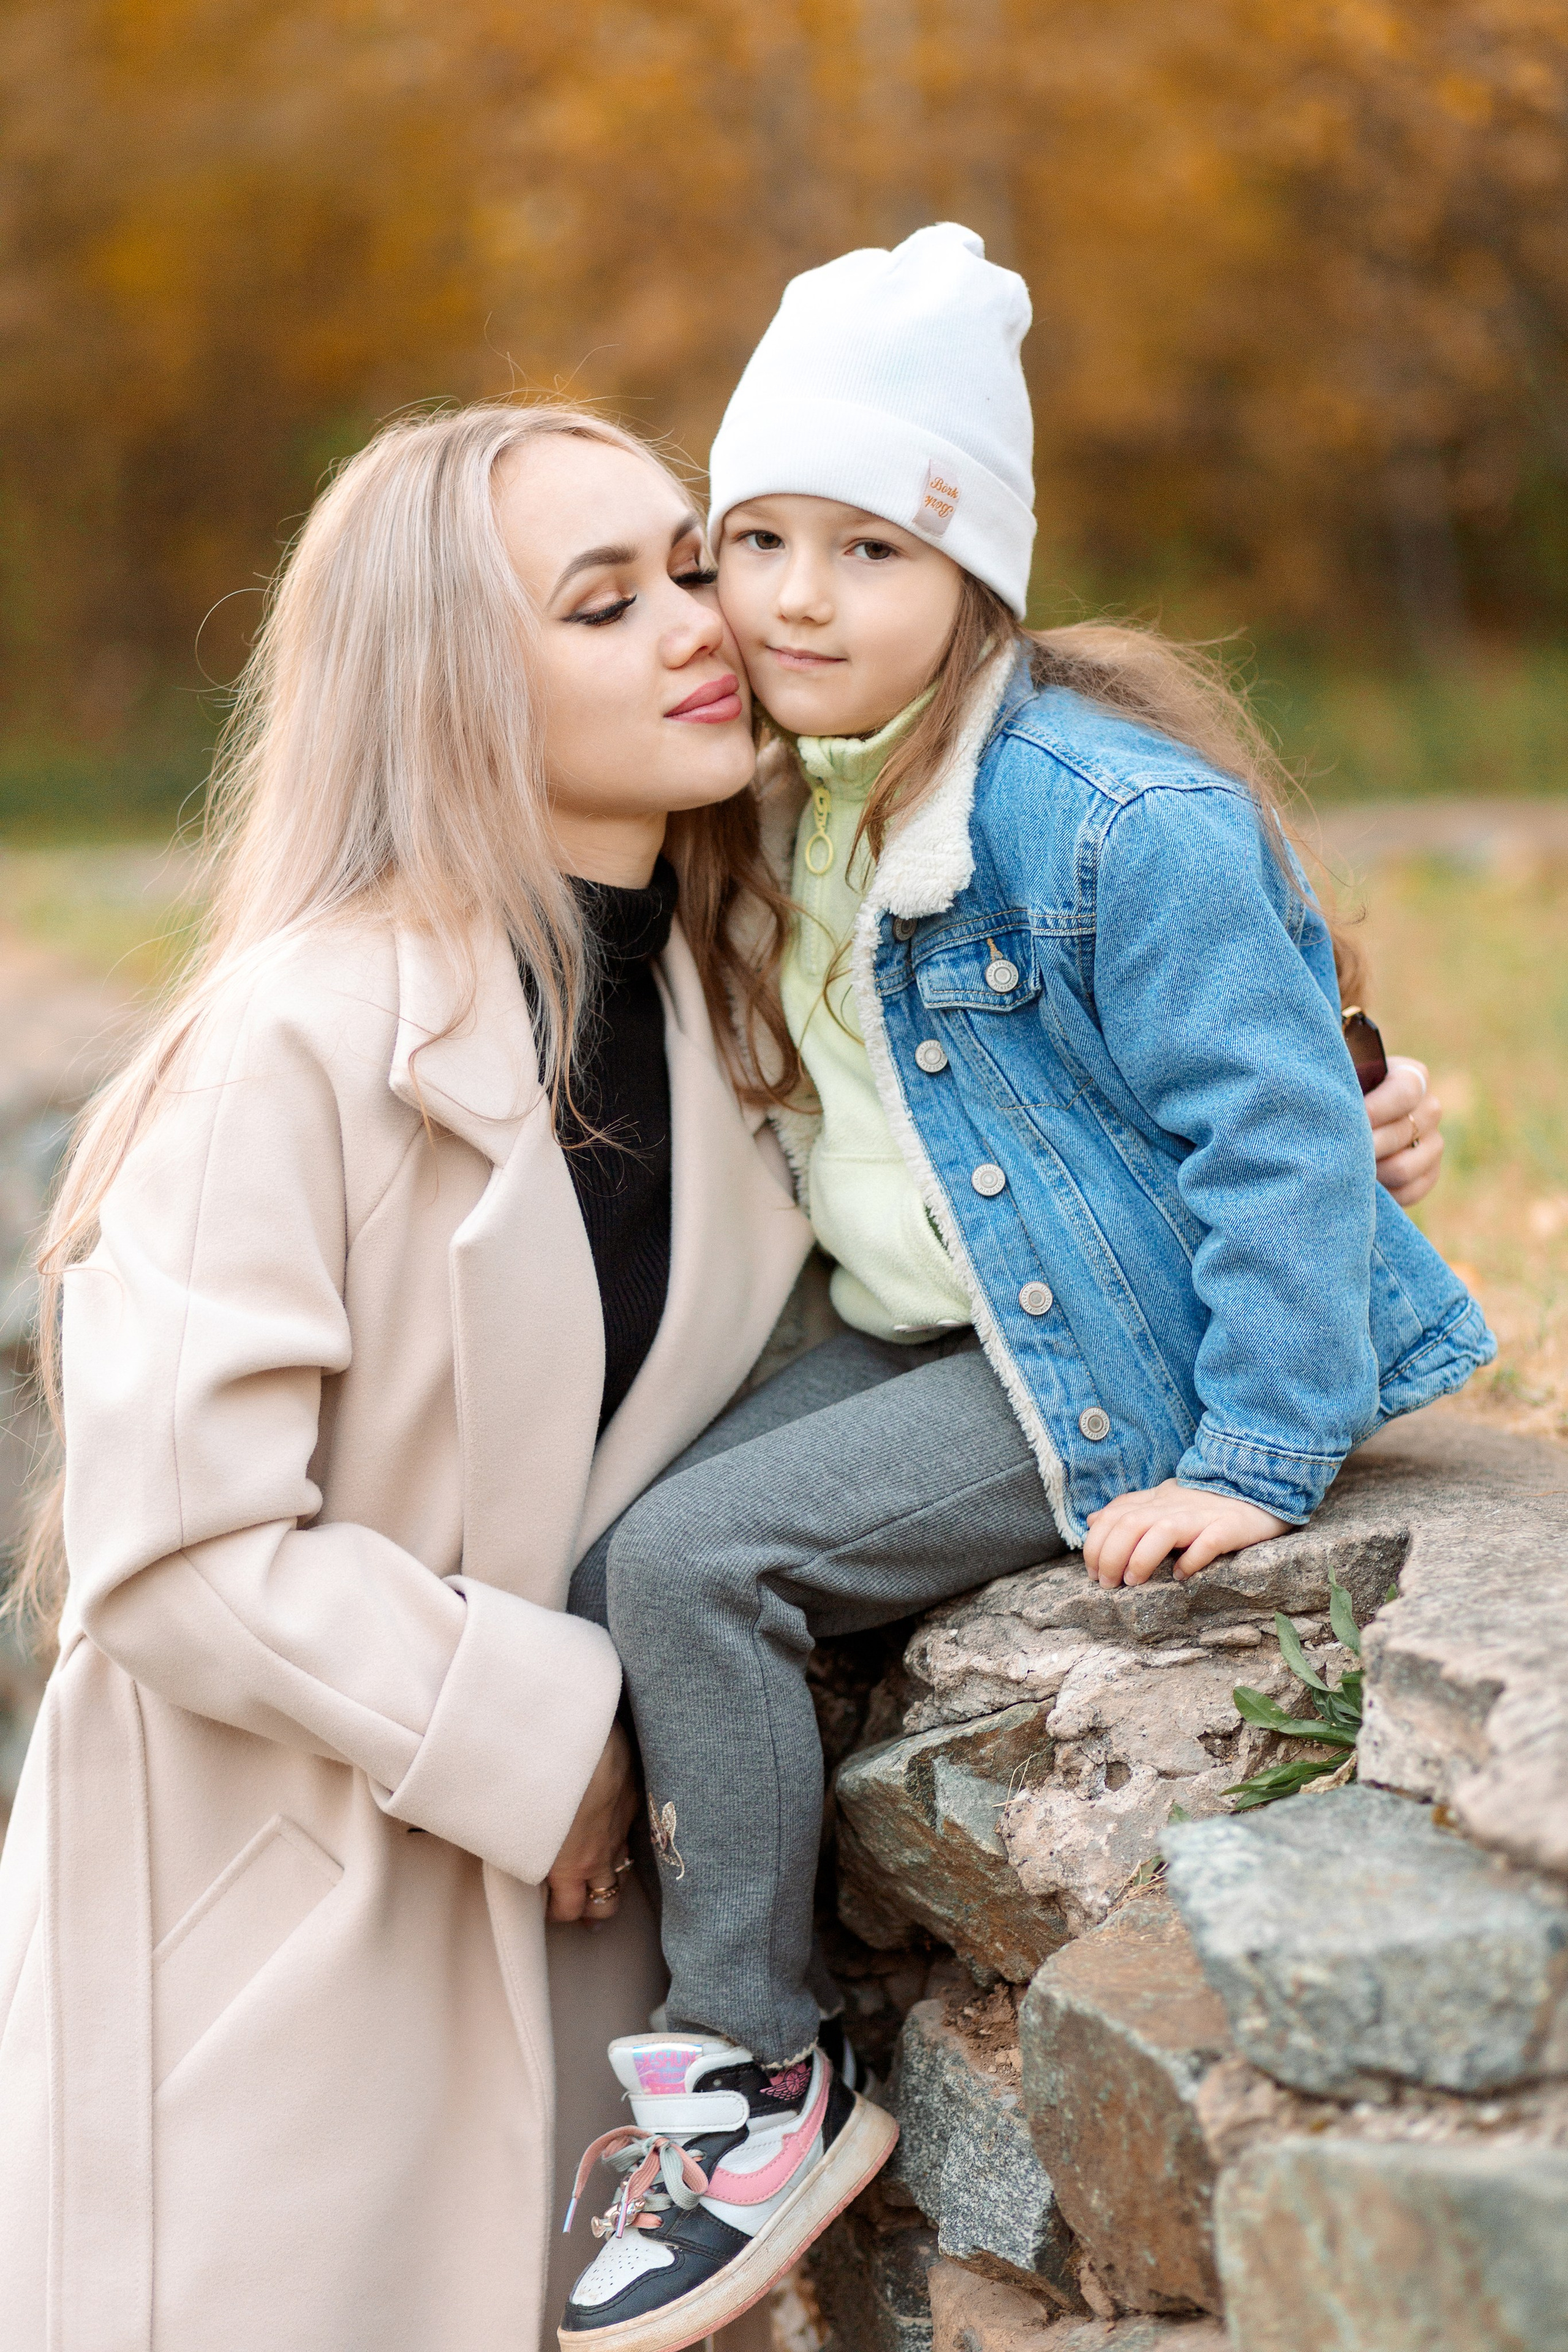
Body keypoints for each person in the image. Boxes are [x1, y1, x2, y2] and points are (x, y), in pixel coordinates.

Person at [556, 225, 1492, 2350]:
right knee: (620, 1556)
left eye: (869, 550)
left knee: (699, 1565)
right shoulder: (786, 797)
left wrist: (1260, 1445)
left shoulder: (1096, 812)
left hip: (1117, 1359)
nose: (797, 597)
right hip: (927, 1321)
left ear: (971, 579)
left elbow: (1263, 1132)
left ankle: (757, 2079)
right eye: (760, 538)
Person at [0, 402, 820, 2352]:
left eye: (694, 563)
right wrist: (554, 1738)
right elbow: (176, 1545)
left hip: (568, 1964)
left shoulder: (754, 1001)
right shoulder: (292, 1037)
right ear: (451, 689)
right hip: (278, 1935)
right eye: (607, 601)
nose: (703, 621)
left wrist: (1310, 1131)